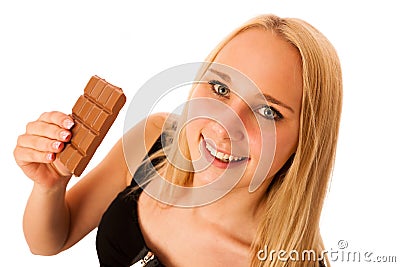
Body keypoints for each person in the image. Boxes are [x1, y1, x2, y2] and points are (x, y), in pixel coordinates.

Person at [14, 14, 342, 267]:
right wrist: (50, 186)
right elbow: (49, 242)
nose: (224, 125)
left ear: (306, 141)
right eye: (221, 89)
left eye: (268, 111)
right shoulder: (154, 140)